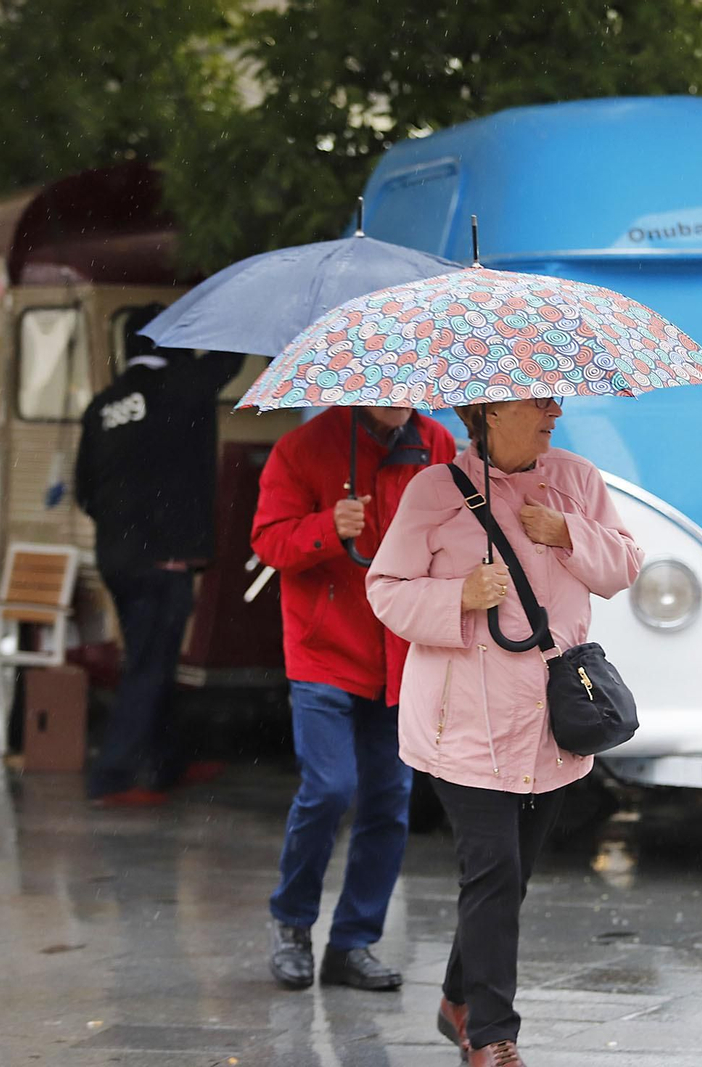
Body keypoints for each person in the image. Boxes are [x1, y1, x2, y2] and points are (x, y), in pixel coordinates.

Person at [366, 397, 643, 1067]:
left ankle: (457, 997)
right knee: (492, 871)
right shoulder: (435, 490)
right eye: (536, 400)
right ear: (489, 412)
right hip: (462, 725)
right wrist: (458, 594)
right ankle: (491, 1033)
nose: (554, 409)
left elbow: (625, 566)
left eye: (553, 397)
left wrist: (567, 531)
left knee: (507, 878)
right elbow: (385, 588)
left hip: (552, 722)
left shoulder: (577, 479)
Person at [252, 404, 455, 992]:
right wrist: (325, 527)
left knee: (390, 802)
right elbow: (268, 542)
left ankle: (352, 943)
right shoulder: (304, 445)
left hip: (399, 653)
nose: (398, 396)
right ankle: (291, 923)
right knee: (328, 789)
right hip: (323, 650)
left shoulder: (436, 441)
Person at [75, 308, 244, 805]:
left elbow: (85, 490)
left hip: (115, 559)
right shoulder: (184, 385)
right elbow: (229, 362)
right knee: (149, 665)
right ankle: (114, 775)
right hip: (162, 560)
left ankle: (166, 762)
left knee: (151, 659)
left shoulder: (104, 405)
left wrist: (121, 527)